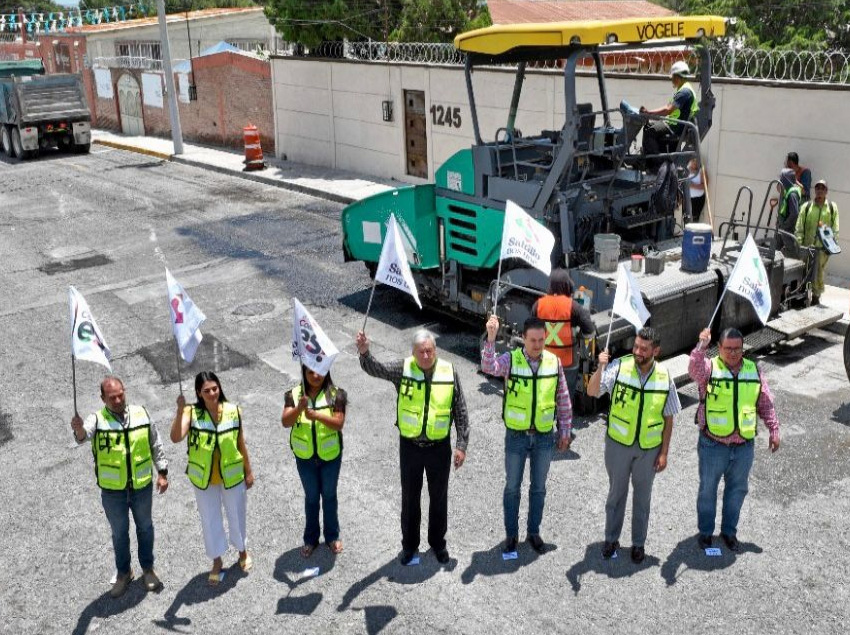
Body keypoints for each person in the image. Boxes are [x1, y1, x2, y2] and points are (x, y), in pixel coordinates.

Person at [355, 329, 469, 565]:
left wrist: (461, 445)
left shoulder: (449, 371)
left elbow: (460, 409)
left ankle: (438, 543)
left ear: (435, 350)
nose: (426, 356)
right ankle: (409, 546)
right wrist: (365, 352)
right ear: (413, 352)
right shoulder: (404, 369)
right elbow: (377, 369)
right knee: (410, 499)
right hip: (411, 448)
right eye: (421, 352)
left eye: (430, 351)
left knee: (439, 498)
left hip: (439, 448)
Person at [586, 328, 679, 563]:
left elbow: (669, 418)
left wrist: (664, 453)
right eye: (636, 346)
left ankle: (638, 544)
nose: (637, 351)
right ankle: (611, 539)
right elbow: (592, 391)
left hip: (649, 450)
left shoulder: (664, 376)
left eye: (644, 348)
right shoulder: (619, 367)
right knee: (616, 495)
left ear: (655, 351)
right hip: (618, 445)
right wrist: (600, 367)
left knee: (643, 499)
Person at [70, 376, 169, 598]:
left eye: (120, 394)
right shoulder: (97, 419)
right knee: (119, 534)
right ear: (102, 398)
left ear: (124, 391)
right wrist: (78, 430)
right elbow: (83, 436)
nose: (117, 400)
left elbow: (155, 442)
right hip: (113, 492)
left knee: (145, 528)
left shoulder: (141, 413)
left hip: (141, 486)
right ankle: (124, 573)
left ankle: (148, 569)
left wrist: (162, 472)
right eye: (111, 397)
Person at [482, 315, 572, 555]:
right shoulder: (512, 359)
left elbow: (562, 397)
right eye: (532, 340)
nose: (537, 345)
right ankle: (511, 535)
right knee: (512, 487)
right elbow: (489, 367)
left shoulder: (554, 363)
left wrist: (565, 430)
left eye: (541, 340)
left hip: (544, 436)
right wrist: (491, 339)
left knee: (539, 488)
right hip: (516, 436)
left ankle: (534, 532)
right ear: (523, 338)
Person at [689, 327, 780, 552]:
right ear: (718, 348)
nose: (732, 353)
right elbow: (693, 370)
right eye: (727, 348)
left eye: (737, 348)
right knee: (708, 490)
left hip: (743, 447)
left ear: (743, 348)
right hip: (713, 444)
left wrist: (774, 429)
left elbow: (765, 402)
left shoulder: (753, 370)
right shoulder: (709, 368)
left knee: (737, 490)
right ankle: (706, 533)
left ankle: (729, 532)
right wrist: (701, 346)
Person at [171, 371, 254, 585]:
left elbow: (240, 443)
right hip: (204, 478)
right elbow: (176, 437)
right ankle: (217, 560)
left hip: (232, 474)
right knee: (210, 518)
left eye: (215, 388)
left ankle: (242, 551)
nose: (212, 393)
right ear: (198, 392)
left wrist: (249, 470)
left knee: (237, 513)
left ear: (219, 387)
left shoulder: (233, 410)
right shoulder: (191, 412)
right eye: (206, 390)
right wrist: (180, 411)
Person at [281, 364, 348, 558]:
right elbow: (286, 422)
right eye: (310, 371)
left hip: (330, 457)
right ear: (304, 373)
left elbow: (338, 423)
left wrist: (316, 415)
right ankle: (310, 539)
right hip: (305, 458)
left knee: (329, 496)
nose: (315, 375)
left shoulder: (337, 394)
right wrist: (299, 408)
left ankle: (332, 536)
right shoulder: (293, 395)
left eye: (319, 370)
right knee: (311, 498)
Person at [531, 268, 595, 394]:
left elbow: (530, 332)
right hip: (567, 363)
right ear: (567, 285)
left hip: (543, 361)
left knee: (544, 394)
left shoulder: (538, 304)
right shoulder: (574, 306)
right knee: (565, 398)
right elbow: (590, 331)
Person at [639, 61, 698, 171]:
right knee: (650, 126)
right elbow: (668, 107)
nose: (671, 79)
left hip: (674, 127)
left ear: (677, 76)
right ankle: (652, 162)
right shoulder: (685, 89)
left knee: (648, 130)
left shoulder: (685, 92)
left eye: (673, 77)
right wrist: (650, 113)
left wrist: (648, 113)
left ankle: (657, 165)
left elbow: (668, 110)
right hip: (674, 124)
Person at [796, 178, 839, 304]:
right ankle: (806, 295)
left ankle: (816, 297)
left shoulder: (831, 207)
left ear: (826, 191)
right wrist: (799, 244)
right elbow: (799, 227)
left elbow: (835, 228)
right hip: (807, 248)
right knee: (806, 274)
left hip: (823, 249)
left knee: (818, 274)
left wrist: (831, 246)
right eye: (817, 188)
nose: (820, 191)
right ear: (815, 190)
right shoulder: (807, 206)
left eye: (822, 188)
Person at [776, 168, 802, 254]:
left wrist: (785, 225)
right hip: (783, 226)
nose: (780, 181)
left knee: (789, 251)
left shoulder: (792, 194)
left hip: (787, 228)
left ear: (786, 179)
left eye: (782, 179)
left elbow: (794, 213)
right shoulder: (788, 191)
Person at [687, 157, 707, 223]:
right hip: (687, 199)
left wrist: (692, 185)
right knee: (686, 218)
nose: (694, 163)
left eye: (696, 162)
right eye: (693, 160)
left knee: (695, 219)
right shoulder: (685, 170)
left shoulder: (701, 171)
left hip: (698, 200)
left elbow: (705, 186)